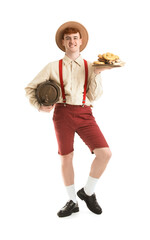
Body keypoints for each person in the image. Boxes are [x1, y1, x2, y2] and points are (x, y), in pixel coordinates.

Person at [25, 21, 112, 217]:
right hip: (62, 114)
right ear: (63, 43)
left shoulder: (92, 66)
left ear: (81, 41)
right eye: (68, 39)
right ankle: (72, 201)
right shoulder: (52, 66)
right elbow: (30, 88)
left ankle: (87, 192)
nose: (72, 41)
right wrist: (39, 106)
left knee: (105, 153)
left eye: (75, 38)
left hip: (85, 113)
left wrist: (98, 73)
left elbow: (95, 96)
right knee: (66, 157)